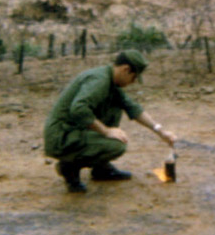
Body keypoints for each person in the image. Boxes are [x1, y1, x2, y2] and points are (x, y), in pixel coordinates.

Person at [44, 49, 177, 192]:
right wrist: (106, 131)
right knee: (116, 145)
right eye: (133, 77)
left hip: (72, 131)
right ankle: (69, 167)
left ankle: (101, 168)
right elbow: (78, 109)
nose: (133, 82)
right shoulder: (99, 81)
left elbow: (132, 108)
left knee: (115, 107)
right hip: (61, 137)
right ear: (125, 69)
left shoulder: (111, 81)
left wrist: (161, 132)